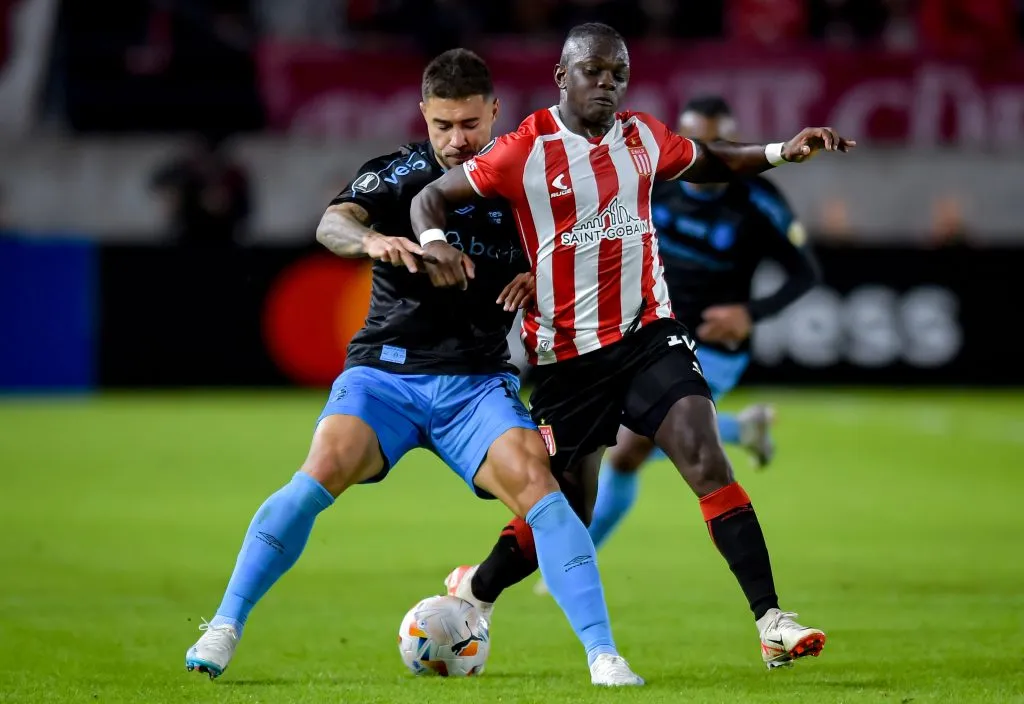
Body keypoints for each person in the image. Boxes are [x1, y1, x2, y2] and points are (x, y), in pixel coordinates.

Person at [184, 48, 643, 687]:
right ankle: (225, 625)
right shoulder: (399, 174)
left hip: (477, 381)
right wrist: (372, 240)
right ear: (423, 117)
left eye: (471, 125)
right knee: (318, 471)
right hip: (385, 375)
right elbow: (332, 223)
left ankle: (603, 656)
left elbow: (599, 251)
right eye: (443, 126)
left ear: (495, 113)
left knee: (549, 497)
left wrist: (541, 275)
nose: (457, 141)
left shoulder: (533, 178)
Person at [409, 23, 854, 670]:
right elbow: (430, 198)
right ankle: (477, 587)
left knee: (704, 458)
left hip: (649, 334)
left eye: (618, 73)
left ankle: (772, 621)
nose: (608, 84)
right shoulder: (522, 149)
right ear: (563, 76)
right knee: (569, 510)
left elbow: (713, 160)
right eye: (594, 71)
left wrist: (784, 149)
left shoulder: (642, 137)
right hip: (568, 359)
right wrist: (434, 244)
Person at [533, 94, 821, 594]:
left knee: (625, 452)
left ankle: (575, 563)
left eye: (714, 140)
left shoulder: (758, 199)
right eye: (696, 140)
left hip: (713, 347)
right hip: (649, 336)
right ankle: (740, 429)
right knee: (636, 440)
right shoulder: (656, 188)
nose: (704, 152)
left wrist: (749, 315)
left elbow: (805, 273)